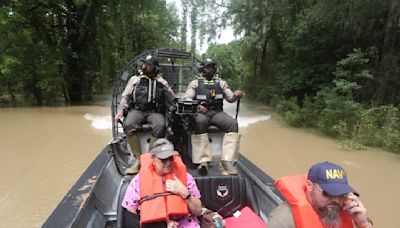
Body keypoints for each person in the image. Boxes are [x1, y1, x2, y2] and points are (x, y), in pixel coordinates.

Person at [115, 55, 176, 174]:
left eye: (149, 65)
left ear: (155, 67)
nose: (146, 66)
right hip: (137, 110)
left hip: (153, 111)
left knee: (160, 125)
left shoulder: (160, 81)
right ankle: (138, 160)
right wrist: (120, 111)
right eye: (145, 64)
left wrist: (163, 84)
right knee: (128, 124)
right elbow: (125, 97)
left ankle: (148, 157)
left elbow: (172, 97)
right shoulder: (135, 79)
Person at [121, 138, 202, 228]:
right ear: (153, 159)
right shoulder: (138, 181)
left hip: (184, 223)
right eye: (163, 159)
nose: (168, 163)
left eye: (171, 158)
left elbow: (198, 211)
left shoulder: (186, 178)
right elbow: (130, 217)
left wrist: (186, 193)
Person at [268, 161, 373, 228]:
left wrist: (363, 224)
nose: (336, 200)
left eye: (341, 194)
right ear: (309, 186)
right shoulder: (282, 221)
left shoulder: (346, 213)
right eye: (328, 193)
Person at [184, 58, 243, 175]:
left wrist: (236, 95)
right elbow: (186, 98)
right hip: (201, 113)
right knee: (200, 122)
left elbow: (230, 98)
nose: (210, 70)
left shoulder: (221, 83)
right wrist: (197, 106)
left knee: (233, 124)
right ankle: (203, 161)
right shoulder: (195, 83)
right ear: (202, 69)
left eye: (212, 67)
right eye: (207, 67)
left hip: (217, 113)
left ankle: (227, 161)